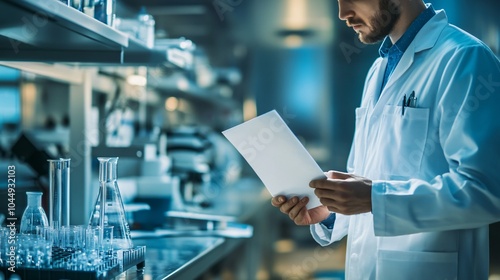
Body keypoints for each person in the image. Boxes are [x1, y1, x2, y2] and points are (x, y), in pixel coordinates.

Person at [271, 0, 500, 279]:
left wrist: (375, 200)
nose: (343, 14)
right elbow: (369, 179)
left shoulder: (464, 58)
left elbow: (487, 192)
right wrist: (330, 211)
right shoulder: (378, 71)